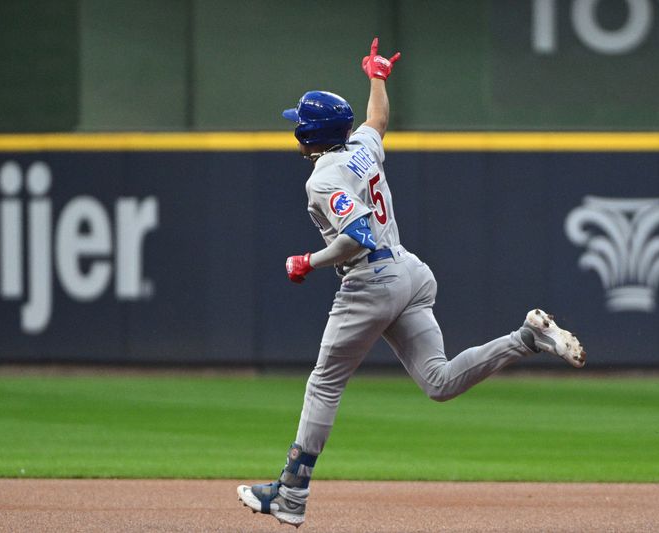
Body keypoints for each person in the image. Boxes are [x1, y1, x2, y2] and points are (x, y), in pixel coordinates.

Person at [237, 37, 586, 528]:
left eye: (298, 122)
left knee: (325, 383)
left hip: (371, 279)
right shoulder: (359, 147)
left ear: (309, 135)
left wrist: (308, 261)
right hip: (410, 271)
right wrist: (377, 75)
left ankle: (292, 493)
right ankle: (526, 338)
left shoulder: (322, 179)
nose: (294, 126)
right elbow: (377, 120)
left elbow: (356, 235)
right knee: (439, 382)